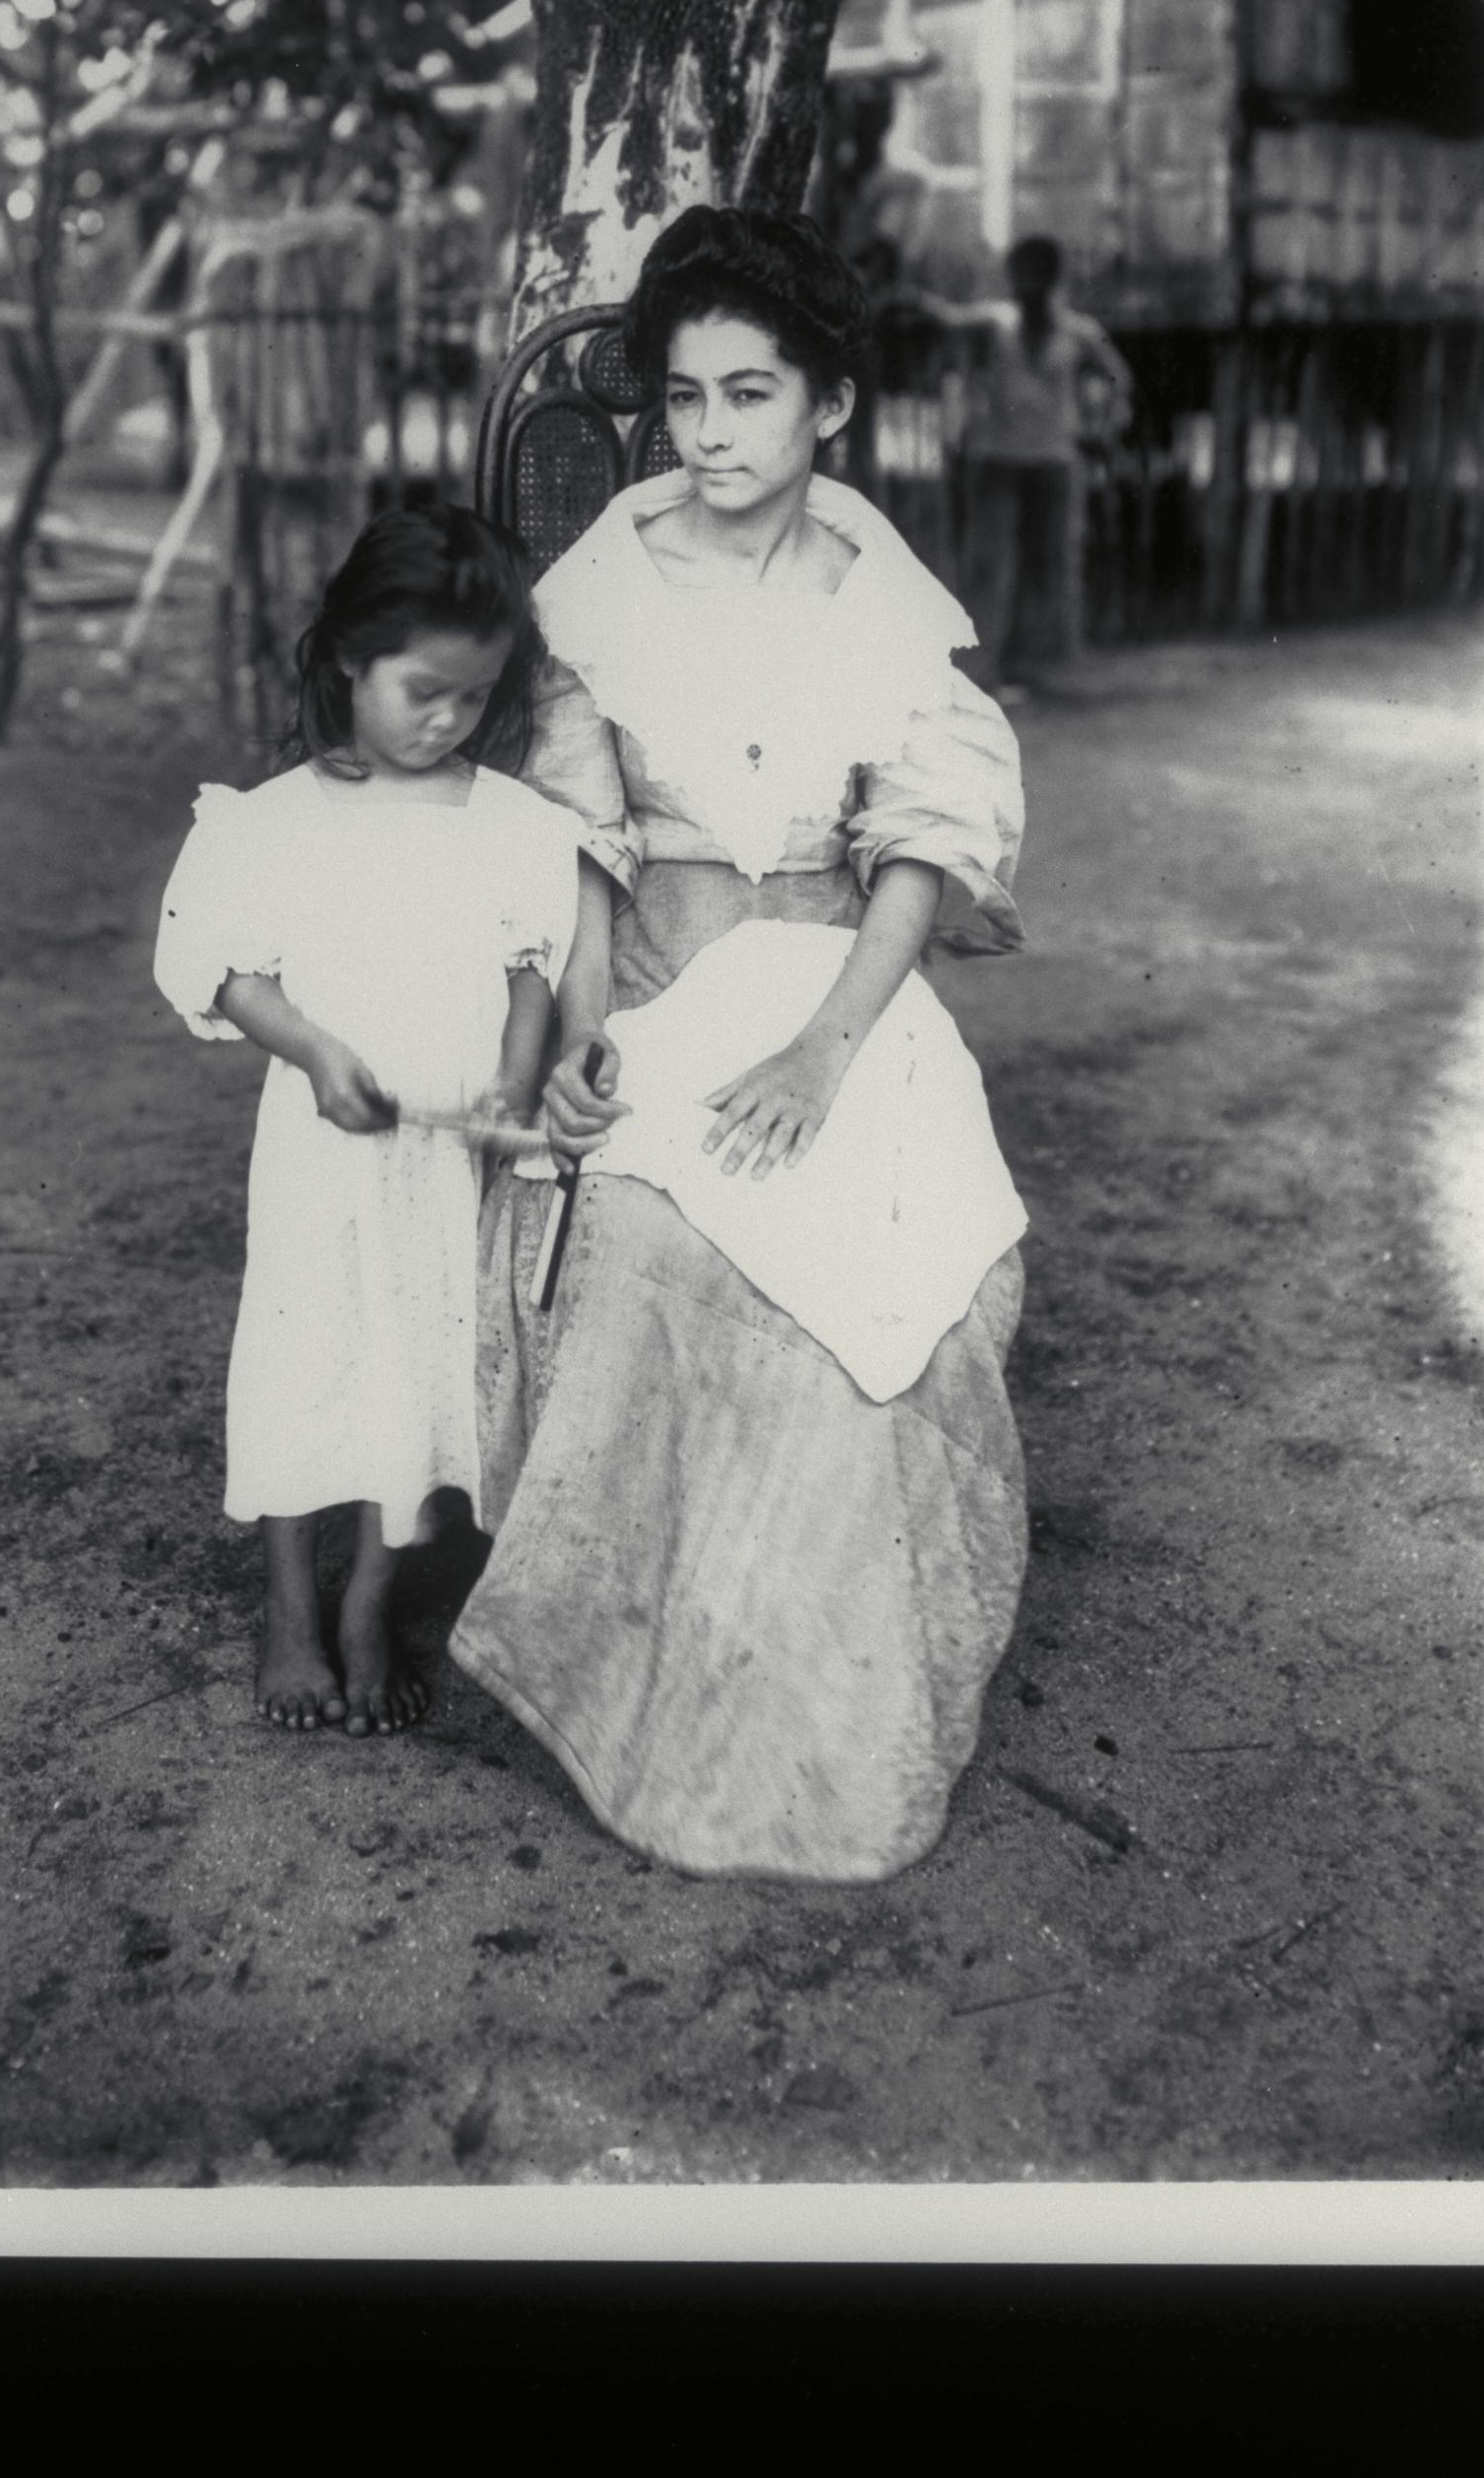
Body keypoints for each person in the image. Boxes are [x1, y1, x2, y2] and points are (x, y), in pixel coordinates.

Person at [449, 206, 1032, 1885]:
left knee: (896, 1268)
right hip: (655, 971)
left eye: (750, 394)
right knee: (656, 1235)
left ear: (827, 403)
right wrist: (580, 1036)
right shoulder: (602, 590)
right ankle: (664, 1686)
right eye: (685, 397)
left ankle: (823, 1695)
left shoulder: (880, 597)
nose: (707, 434)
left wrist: (826, 1053)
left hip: (840, 988)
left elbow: (914, 852)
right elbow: (580, 849)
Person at [153, 504, 584, 1739]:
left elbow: (529, 975)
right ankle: (289, 1603)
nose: (445, 721)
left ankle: (368, 1605)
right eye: (421, 692)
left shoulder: (508, 825)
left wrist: (509, 1087)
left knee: (419, 1366)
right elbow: (226, 969)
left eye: (472, 697)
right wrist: (313, 1049)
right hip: (322, 1149)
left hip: (439, 1166)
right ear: (349, 659)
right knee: (305, 1355)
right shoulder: (272, 821)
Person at [890, 235, 1134, 692]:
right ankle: (982, 668)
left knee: (1051, 562)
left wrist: (1100, 428)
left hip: (1054, 462)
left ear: (1053, 278)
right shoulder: (995, 322)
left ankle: (1041, 665)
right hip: (998, 460)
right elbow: (948, 320)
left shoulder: (1080, 332)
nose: (1028, 283)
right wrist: (913, 300)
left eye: (1037, 273)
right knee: (990, 562)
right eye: (1021, 273)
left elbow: (1120, 377)